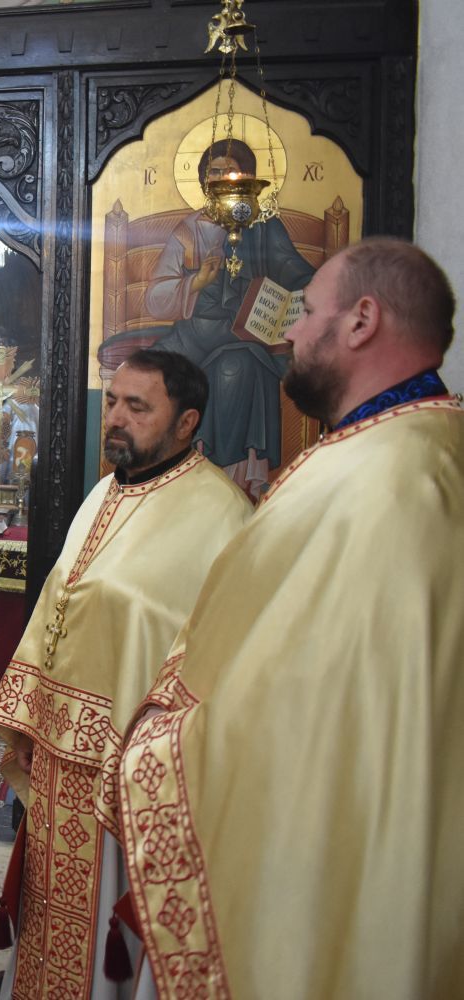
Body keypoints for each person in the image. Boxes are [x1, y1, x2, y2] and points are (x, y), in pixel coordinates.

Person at [119, 238, 463, 999]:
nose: (292, 331)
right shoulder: (418, 447)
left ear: (362, 320)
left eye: (306, 312)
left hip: (327, 836)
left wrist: (162, 741)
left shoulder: (382, 477)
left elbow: (307, 691)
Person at [0, 350, 251, 1000]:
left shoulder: (223, 515)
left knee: (104, 924)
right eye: (112, 401)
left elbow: (219, 661)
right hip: (57, 757)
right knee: (49, 918)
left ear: (186, 422)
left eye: (138, 406)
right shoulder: (106, 490)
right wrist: (30, 719)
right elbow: (61, 605)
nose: (116, 418)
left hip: (129, 774)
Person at [101, 139, 316, 500]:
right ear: (203, 180)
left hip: (248, 335)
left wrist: (308, 293)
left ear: (249, 180)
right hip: (198, 333)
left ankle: (230, 483)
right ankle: (157, 476)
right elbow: (156, 299)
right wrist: (196, 282)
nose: (222, 179)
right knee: (147, 373)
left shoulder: (265, 227)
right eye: (214, 172)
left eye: (232, 173)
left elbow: (295, 271)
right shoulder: (190, 230)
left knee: (235, 369)